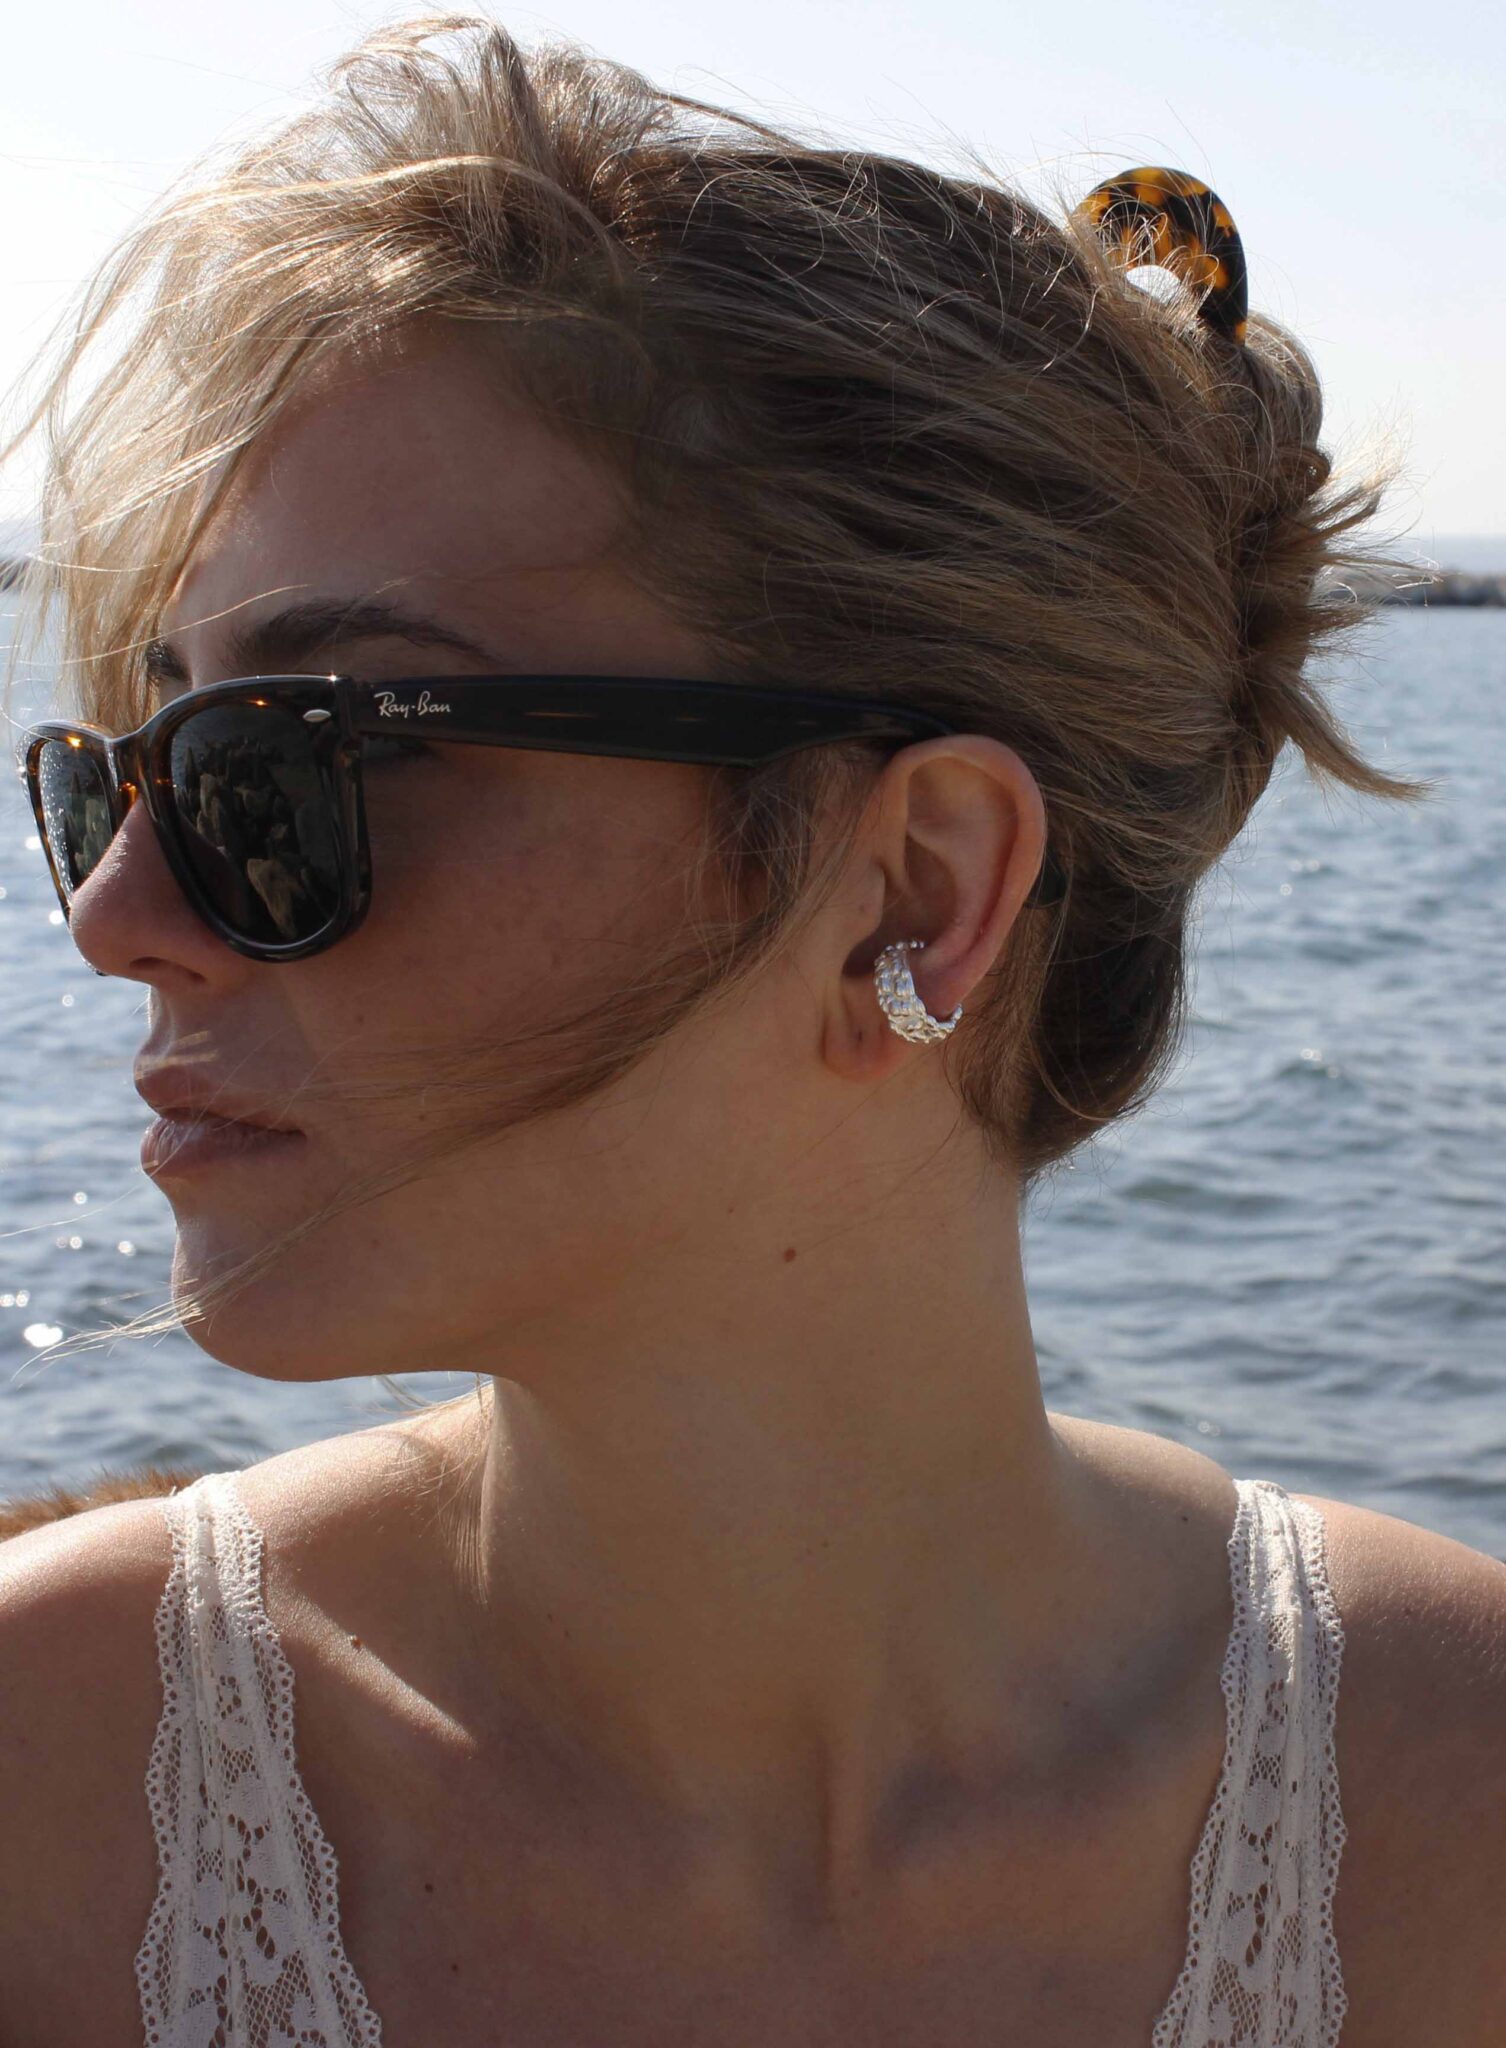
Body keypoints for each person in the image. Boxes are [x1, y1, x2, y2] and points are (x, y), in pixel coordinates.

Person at [2, 18, 1502, 2045]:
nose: (115, 914)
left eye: (300, 760)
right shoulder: (56, 1803)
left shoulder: (1446, 1814)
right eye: (123, 773)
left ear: (917, 889)